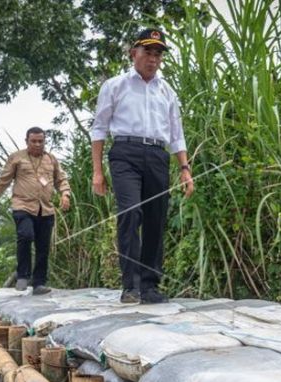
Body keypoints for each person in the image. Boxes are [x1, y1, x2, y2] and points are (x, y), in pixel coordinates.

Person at [91, 28, 195, 304]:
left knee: (155, 218)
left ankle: (150, 286)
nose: (153, 58)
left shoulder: (167, 91)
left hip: (157, 156)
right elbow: (99, 128)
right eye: (147, 51)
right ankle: (131, 285)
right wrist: (98, 171)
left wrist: (185, 169)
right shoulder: (115, 86)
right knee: (130, 212)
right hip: (124, 153)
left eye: (158, 53)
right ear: (133, 53)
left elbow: (176, 134)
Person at [0, 127, 72, 294]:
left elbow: (61, 179)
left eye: (41, 141)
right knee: (26, 235)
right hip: (22, 205)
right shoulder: (17, 158)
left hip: (45, 209)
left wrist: (65, 194)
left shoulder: (51, 159)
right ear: (27, 141)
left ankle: (39, 282)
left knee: (43, 246)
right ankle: (23, 275)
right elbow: (3, 180)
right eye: (34, 141)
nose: (38, 144)